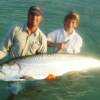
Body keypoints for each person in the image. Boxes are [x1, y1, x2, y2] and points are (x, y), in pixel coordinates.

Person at [0, 6, 47, 100]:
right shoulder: (16, 29)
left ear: (41, 18)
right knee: (14, 93)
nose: (34, 17)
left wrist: (48, 74)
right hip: (14, 73)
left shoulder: (42, 38)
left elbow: (43, 61)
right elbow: (3, 50)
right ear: (28, 15)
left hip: (32, 74)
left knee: (37, 92)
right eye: (32, 14)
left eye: (37, 15)